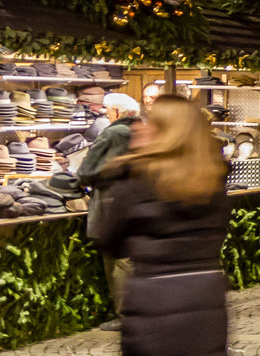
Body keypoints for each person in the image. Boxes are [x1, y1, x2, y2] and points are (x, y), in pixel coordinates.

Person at [93, 95, 230, 356]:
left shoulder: (137, 179)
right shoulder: (212, 179)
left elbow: (108, 240)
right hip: (205, 294)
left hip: (153, 298)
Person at [77, 92, 142, 329]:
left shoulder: (113, 132)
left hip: (113, 203)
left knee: (117, 261)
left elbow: (88, 170)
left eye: (106, 110)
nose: (105, 114)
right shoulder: (143, 130)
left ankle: (125, 316)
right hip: (140, 202)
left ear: (115, 111)